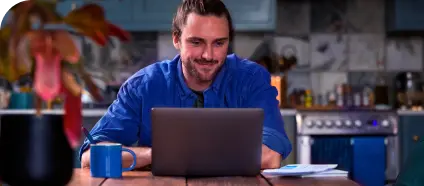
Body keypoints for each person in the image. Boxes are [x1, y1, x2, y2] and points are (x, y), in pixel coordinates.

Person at [80, 0, 292, 170]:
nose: (209, 55)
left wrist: (184, 155)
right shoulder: (143, 86)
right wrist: (158, 154)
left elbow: (270, 157)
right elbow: (90, 157)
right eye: (196, 42)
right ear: (176, 40)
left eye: (219, 43)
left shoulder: (252, 79)